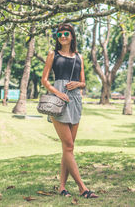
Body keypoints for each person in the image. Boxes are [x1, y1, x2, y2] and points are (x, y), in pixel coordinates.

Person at [41, 23, 98, 199]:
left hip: (75, 100)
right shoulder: (53, 54)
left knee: (68, 149)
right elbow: (44, 80)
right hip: (59, 100)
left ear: (72, 36)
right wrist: (58, 93)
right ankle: (83, 188)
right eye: (60, 34)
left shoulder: (79, 57)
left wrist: (77, 84)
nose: (63, 36)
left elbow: (83, 82)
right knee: (69, 146)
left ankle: (62, 187)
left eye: (66, 33)